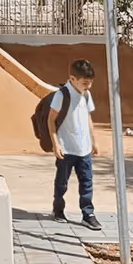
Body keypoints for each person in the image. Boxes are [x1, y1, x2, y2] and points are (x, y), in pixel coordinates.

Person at [48, 59, 102, 231]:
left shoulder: (86, 94)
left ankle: (88, 214)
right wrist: (56, 144)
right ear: (72, 79)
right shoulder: (61, 95)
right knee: (62, 183)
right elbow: (51, 120)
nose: (88, 86)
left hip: (84, 148)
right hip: (66, 148)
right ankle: (58, 210)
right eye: (85, 83)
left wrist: (93, 141)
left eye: (90, 83)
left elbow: (88, 118)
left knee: (87, 183)